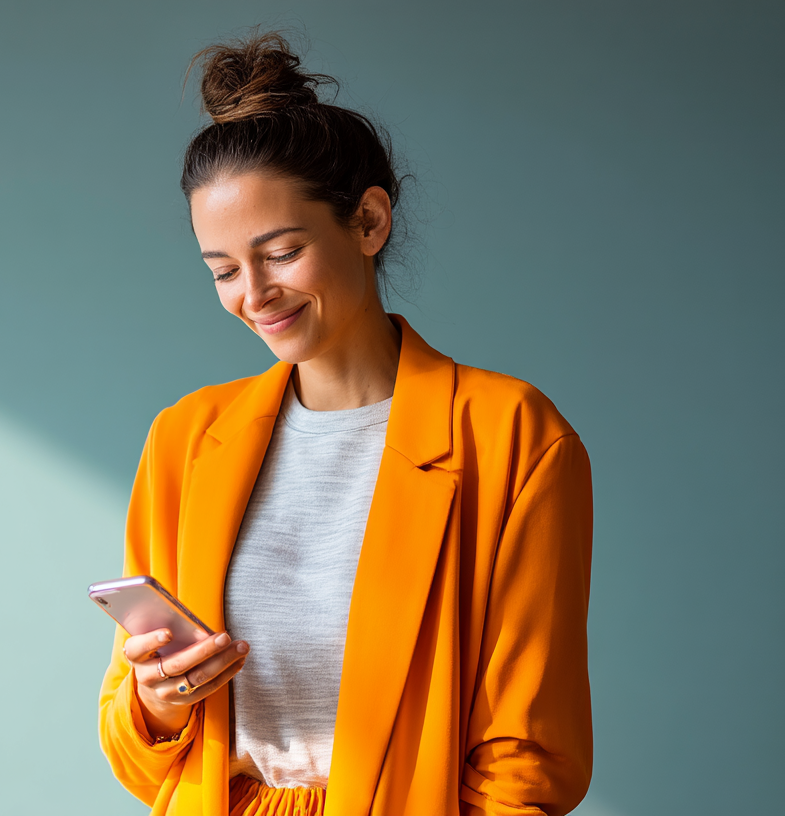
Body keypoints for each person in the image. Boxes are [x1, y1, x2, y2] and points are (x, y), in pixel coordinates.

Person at [96, 32, 593, 816]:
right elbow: (135, 750)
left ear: (368, 222)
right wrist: (158, 702)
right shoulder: (186, 440)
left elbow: (526, 755)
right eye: (222, 270)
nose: (253, 294)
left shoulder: (512, 435)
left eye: (282, 252)